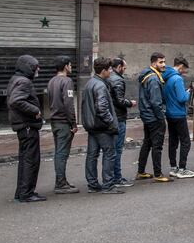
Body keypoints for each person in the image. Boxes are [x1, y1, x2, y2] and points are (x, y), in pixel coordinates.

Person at [7, 55, 45, 202]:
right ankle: (26, 193)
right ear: (28, 67)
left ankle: (22, 192)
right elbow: (16, 101)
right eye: (36, 66)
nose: (38, 69)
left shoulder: (16, 79)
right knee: (31, 160)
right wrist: (35, 111)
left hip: (23, 126)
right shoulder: (24, 81)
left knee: (25, 160)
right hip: (27, 126)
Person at [82, 57, 123, 194]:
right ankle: (108, 185)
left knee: (92, 155)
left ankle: (92, 184)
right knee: (109, 154)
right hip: (102, 126)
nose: (111, 72)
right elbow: (102, 108)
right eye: (109, 69)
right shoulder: (100, 85)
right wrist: (111, 122)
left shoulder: (90, 83)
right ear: (104, 70)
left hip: (91, 125)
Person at [47, 56, 79, 194]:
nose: (71, 67)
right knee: (62, 153)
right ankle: (60, 184)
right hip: (63, 122)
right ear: (66, 66)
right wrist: (73, 123)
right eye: (70, 65)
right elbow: (68, 104)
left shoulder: (51, 81)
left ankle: (62, 181)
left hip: (54, 121)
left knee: (59, 151)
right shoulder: (67, 81)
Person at [137, 52, 171, 182]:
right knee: (157, 146)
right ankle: (158, 174)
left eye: (164, 62)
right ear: (153, 63)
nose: (164, 65)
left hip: (147, 115)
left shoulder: (147, 75)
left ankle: (141, 171)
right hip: (154, 117)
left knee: (147, 143)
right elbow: (156, 102)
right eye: (161, 62)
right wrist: (161, 118)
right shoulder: (153, 79)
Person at [163, 57, 194, 179]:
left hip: (169, 113)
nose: (185, 72)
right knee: (185, 141)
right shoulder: (177, 79)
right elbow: (182, 98)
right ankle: (182, 168)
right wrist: (187, 92)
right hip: (179, 114)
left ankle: (173, 167)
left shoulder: (166, 77)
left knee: (173, 141)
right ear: (181, 66)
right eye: (185, 69)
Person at [108, 57, 136, 187]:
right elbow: (119, 100)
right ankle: (117, 178)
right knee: (117, 150)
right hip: (118, 118)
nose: (124, 70)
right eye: (124, 68)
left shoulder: (108, 78)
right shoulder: (118, 80)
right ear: (118, 67)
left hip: (111, 117)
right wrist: (130, 103)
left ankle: (113, 177)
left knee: (112, 150)